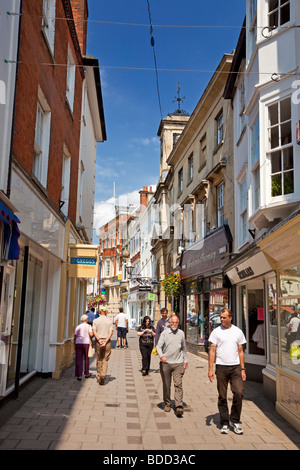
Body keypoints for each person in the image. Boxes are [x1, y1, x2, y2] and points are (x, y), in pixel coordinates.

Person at [208, 307, 247, 435]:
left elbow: (240, 351)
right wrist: (210, 369)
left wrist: (242, 369)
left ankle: (234, 421)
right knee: (222, 395)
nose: (222, 319)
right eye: (221, 317)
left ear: (230, 318)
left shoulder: (238, 332)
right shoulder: (216, 332)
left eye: (224, 317)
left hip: (235, 367)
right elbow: (212, 351)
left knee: (239, 392)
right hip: (221, 367)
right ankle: (224, 422)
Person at [157, 314, 188, 417]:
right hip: (166, 363)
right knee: (166, 385)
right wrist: (161, 356)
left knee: (178, 384)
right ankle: (167, 403)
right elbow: (158, 346)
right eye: (172, 323)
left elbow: (183, 348)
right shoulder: (165, 334)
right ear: (169, 323)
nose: (174, 324)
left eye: (176, 323)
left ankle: (179, 405)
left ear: (178, 323)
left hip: (178, 363)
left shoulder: (181, 333)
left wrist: (186, 360)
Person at [92, 306, 113, 385]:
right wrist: (105, 341)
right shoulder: (109, 321)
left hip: (98, 341)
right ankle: (103, 375)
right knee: (105, 358)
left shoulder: (95, 321)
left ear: (99, 312)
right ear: (106, 312)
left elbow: (94, 331)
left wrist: (99, 340)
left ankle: (98, 375)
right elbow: (111, 332)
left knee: (99, 358)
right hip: (106, 342)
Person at [74, 314, 94, 381]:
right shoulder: (89, 326)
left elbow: (75, 335)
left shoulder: (78, 326)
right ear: (87, 320)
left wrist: (75, 343)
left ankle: (79, 375)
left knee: (79, 359)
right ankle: (87, 373)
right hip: (86, 343)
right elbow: (91, 334)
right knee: (86, 358)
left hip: (78, 343)